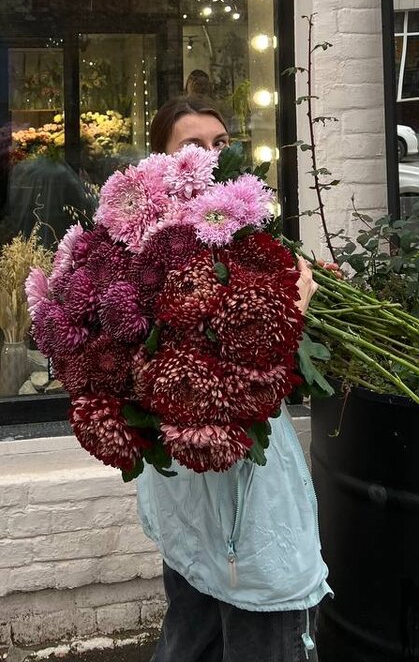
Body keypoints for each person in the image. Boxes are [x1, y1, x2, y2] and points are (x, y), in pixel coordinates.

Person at [137, 95, 328, 662]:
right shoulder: (155, 262)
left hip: (207, 513)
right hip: (238, 515)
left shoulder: (242, 235)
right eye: (192, 147)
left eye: (220, 144)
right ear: (159, 165)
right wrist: (291, 312)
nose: (211, 158)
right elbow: (225, 380)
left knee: (191, 636)